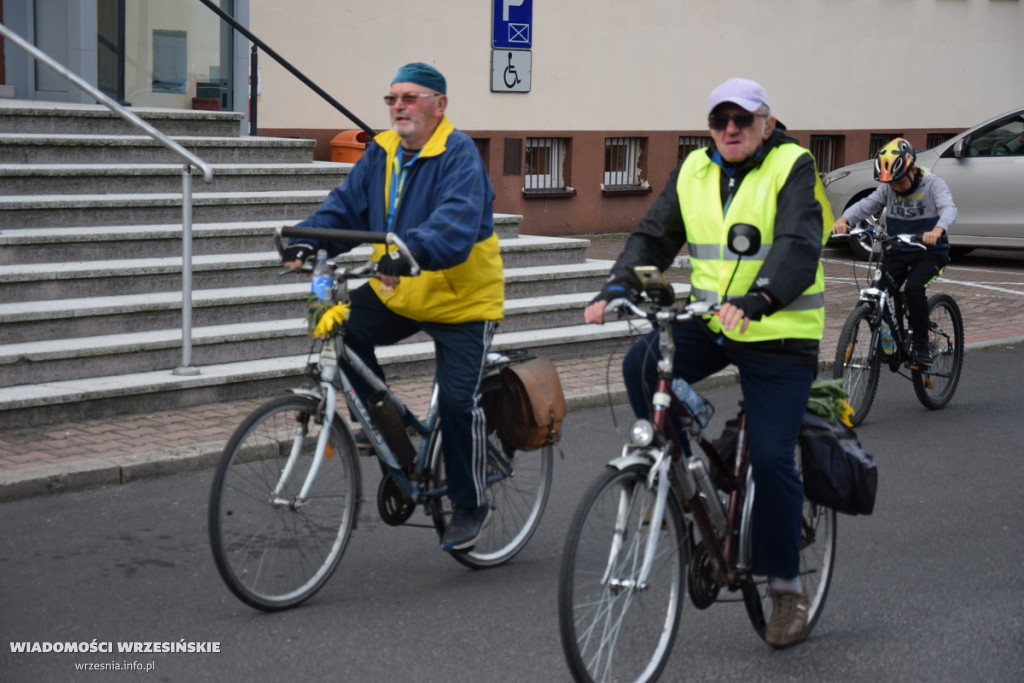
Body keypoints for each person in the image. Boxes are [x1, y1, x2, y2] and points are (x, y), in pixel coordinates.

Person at [584, 78, 832, 648]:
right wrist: (614, 287)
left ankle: (788, 587)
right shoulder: (695, 169)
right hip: (716, 322)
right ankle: (684, 480)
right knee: (641, 367)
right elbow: (654, 235)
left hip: (778, 331)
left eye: (742, 119)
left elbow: (798, 241)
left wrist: (762, 298)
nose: (730, 130)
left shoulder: (792, 166)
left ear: (766, 123)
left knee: (771, 460)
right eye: (720, 120)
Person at [279, 62, 504, 551]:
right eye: (392, 98)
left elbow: (456, 221)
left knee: (457, 404)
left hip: (463, 302)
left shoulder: (458, 154)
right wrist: (304, 241)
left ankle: (470, 504)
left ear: (439, 106)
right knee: (345, 332)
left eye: (411, 97)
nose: (398, 106)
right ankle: (394, 431)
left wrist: (413, 252)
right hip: (398, 292)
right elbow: (345, 207)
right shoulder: (381, 152)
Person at [832, 137, 957, 366]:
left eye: (897, 182)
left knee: (914, 288)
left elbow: (948, 208)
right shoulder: (887, 187)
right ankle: (888, 347)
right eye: (889, 183)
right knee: (878, 292)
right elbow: (866, 205)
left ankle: (922, 348)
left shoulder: (932, 185)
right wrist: (845, 219)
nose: (893, 187)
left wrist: (938, 229)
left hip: (930, 252)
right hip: (899, 250)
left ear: (910, 170)